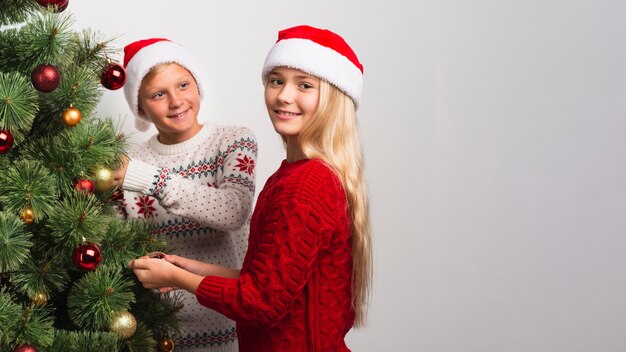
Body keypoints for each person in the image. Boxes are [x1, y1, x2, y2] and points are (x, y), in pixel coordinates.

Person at [128, 25, 372, 352]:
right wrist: (188, 268)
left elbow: (260, 303)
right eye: (277, 81)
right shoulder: (290, 175)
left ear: (331, 98)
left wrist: (178, 279)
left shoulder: (308, 184)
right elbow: (268, 281)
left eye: (304, 85)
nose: (284, 95)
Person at [112, 38, 257, 352]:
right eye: (159, 94)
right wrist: (135, 263)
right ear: (141, 106)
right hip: (159, 330)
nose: (176, 101)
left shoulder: (232, 141)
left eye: (183, 85)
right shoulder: (128, 162)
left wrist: (149, 179)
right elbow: (115, 244)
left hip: (230, 322)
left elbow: (233, 211)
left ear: (197, 86)